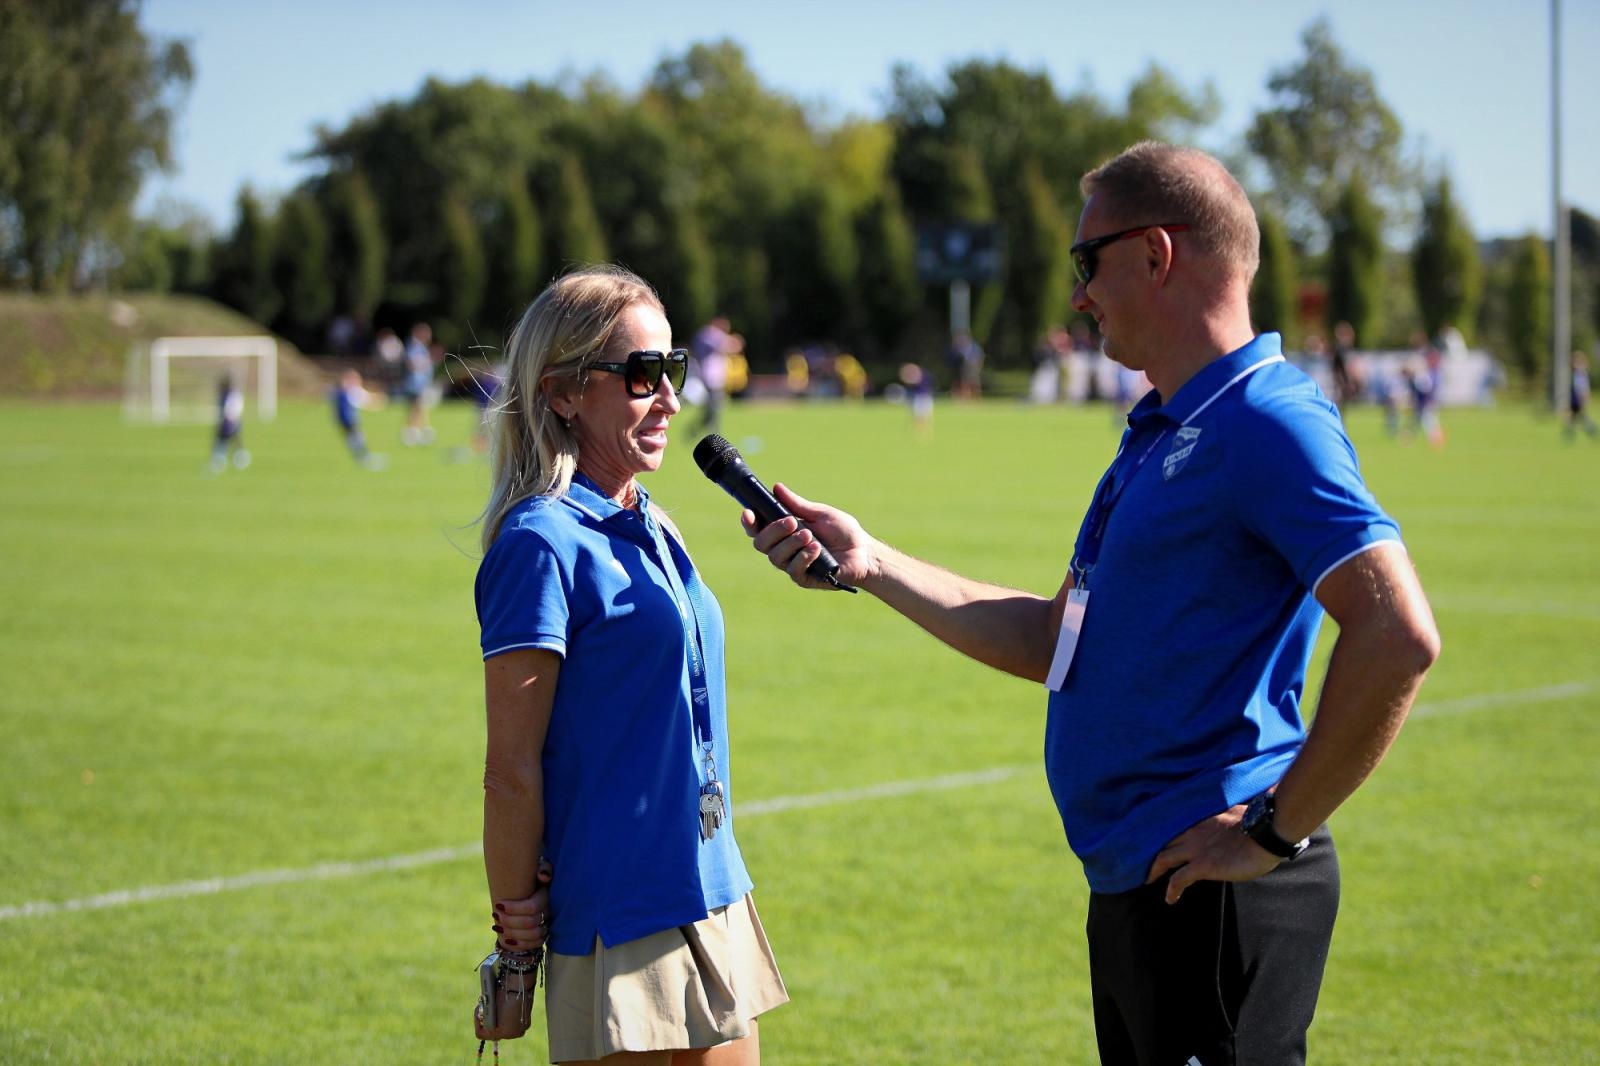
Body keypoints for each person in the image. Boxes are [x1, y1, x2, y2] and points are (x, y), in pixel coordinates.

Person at [742, 142, 1439, 1065]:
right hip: (1140, 890)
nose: (1077, 295)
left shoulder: (1266, 419)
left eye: (1088, 261)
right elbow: (1054, 639)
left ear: (1155, 255)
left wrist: (1275, 828)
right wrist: (871, 563)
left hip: (1217, 891)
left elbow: (1397, 633)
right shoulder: (1160, 429)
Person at [472, 266, 787, 1064]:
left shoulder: (648, 518)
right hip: (623, 919)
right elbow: (510, 772)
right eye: (643, 375)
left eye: (673, 369)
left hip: (712, 889)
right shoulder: (539, 543)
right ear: (564, 392)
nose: (672, 400)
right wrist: (515, 954)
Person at [690, 315, 737, 436]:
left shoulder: (714, 335)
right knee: (714, 408)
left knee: (713, 408)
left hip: (716, 378)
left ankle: (697, 431)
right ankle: (713, 433)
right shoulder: (708, 334)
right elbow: (730, 345)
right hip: (710, 377)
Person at [331, 368, 387, 469]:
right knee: (358, 437)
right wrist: (378, 401)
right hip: (349, 420)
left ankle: (361, 457)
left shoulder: (343, 391)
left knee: (353, 438)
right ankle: (364, 457)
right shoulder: (349, 391)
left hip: (343, 420)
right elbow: (365, 400)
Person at [401, 322, 438, 445]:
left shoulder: (421, 347)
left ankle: (417, 430)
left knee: (418, 408)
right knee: (417, 407)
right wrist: (426, 364)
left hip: (421, 383)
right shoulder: (414, 347)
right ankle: (413, 432)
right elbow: (411, 363)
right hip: (415, 383)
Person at [208, 373, 250, 473]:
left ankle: (220, 461)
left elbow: (230, 409)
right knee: (234, 441)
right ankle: (240, 458)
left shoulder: (227, 395)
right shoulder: (232, 394)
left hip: (228, 422)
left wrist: (228, 420)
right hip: (233, 422)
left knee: (222, 441)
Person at [1566, 349, 1598, 439]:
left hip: (1578, 398)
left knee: (1579, 417)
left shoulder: (1580, 372)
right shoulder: (1577, 372)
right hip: (1575, 398)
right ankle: (1569, 435)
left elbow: (1583, 387)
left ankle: (1592, 430)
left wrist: (1584, 398)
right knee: (1575, 417)